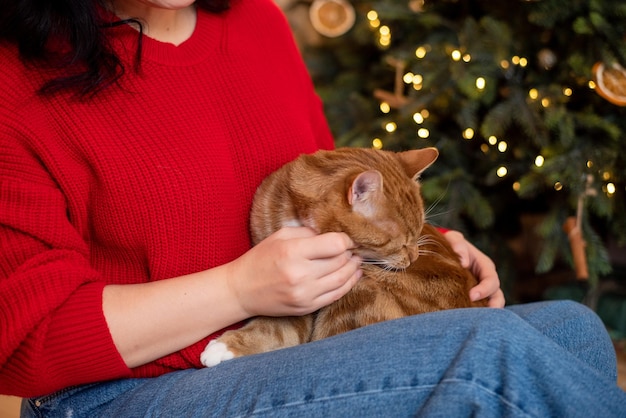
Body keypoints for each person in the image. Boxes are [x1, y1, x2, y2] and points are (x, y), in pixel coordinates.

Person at [0, 0, 624, 416]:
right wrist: (239, 291)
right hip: (121, 392)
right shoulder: (15, 77)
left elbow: (336, 191)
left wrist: (420, 247)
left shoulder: (255, 23)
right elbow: (22, 340)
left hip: (286, 342)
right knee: (492, 360)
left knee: (572, 330)